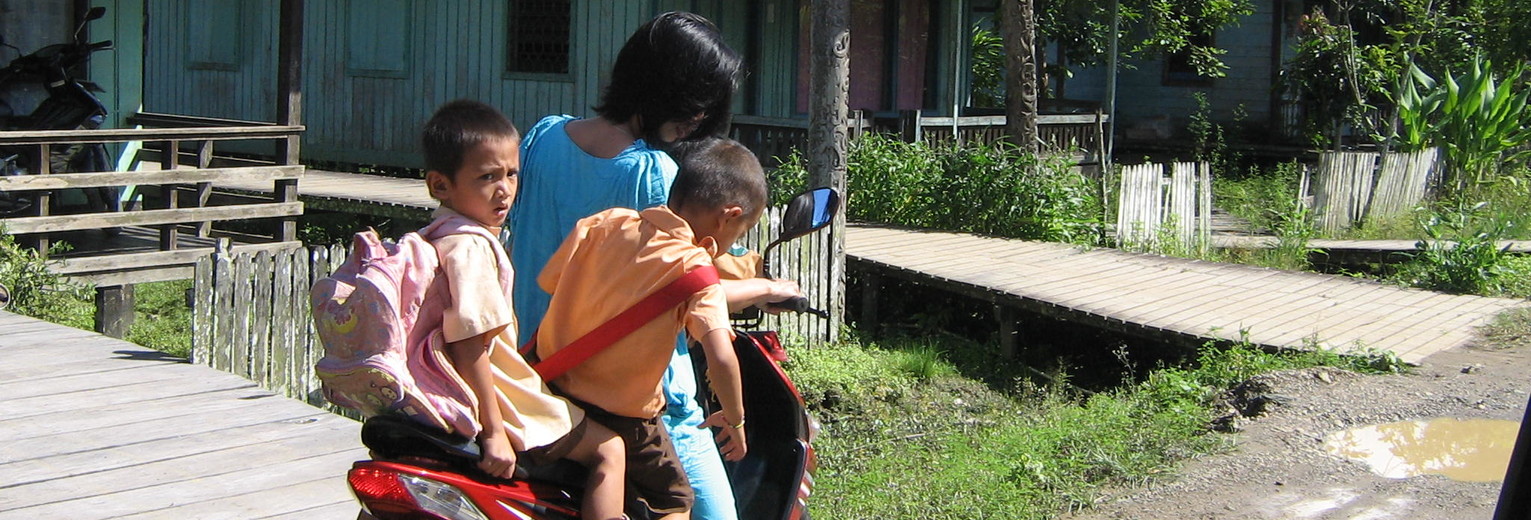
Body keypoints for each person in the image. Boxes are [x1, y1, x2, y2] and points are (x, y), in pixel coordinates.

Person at [506, 12, 797, 520]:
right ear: (664, 87)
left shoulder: (542, 138)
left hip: (536, 370)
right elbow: (686, 290)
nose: (697, 119)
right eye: (696, 102)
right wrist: (764, 289)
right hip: (637, 401)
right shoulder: (654, 173)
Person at [535, 137, 768, 519]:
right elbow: (722, 358)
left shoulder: (606, 222)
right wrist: (735, 419)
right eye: (740, 234)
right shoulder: (697, 271)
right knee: (674, 499)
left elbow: (550, 281)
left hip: (550, 387)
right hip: (622, 416)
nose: (733, 244)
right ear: (728, 217)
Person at [420, 99, 626, 520]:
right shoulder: (471, 248)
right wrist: (494, 432)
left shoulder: (436, 235)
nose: (504, 189)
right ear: (440, 185)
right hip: (501, 399)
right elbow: (470, 344)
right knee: (611, 449)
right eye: (487, 177)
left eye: (511, 174)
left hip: (451, 391)